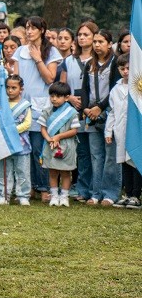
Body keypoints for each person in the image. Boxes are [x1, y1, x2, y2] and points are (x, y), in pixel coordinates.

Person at [12, 17, 62, 203]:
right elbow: (16, 78)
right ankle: (27, 187)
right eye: (27, 28)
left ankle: (44, 187)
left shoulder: (52, 51)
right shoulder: (19, 51)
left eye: (33, 28)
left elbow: (50, 79)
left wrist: (38, 59)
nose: (29, 31)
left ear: (42, 30)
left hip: (41, 105)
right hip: (21, 106)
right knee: (23, 149)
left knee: (38, 149)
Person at [81, 30, 120, 206]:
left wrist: (100, 107)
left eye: (101, 42)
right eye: (95, 41)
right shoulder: (90, 64)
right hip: (91, 114)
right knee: (96, 155)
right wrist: (86, 108)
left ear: (109, 44)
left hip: (109, 112)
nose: (97, 45)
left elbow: (115, 88)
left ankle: (110, 193)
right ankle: (95, 192)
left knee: (111, 155)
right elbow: (84, 90)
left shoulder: (116, 63)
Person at [60, 21, 97, 202]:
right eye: (80, 35)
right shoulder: (68, 61)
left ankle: (96, 189)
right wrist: (69, 98)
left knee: (96, 152)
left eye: (86, 35)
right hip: (74, 110)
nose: (82, 38)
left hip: (93, 111)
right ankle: (82, 189)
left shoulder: (100, 60)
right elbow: (62, 86)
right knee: (82, 153)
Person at [40, 82, 80, 207]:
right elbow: (43, 128)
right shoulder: (47, 111)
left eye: (58, 96)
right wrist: (50, 139)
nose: (54, 99)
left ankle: (64, 196)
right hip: (51, 145)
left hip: (66, 146)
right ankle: (54, 196)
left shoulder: (72, 112)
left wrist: (58, 136)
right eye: (52, 96)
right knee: (52, 171)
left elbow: (74, 131)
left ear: (67, 97)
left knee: (65, 172)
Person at [0, 75, 32, 206]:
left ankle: (23, 195)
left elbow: (27, 123)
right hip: (4, 143)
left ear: (21, 89)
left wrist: (12, 131)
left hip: (21, 143)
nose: (10, 90)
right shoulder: (1, 104)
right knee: (4, 169)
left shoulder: (25, 105)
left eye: (14, 88)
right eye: (8, 87)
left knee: (22, 170)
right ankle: (4, 194)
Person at [105, 54, 137, 207]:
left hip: (136, 131)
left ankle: (136, 195)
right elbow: (112, 111)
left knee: (135, 161)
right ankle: (128, 193)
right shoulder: (116, 89)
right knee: (124, 162)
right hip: (120, 130)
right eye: (122, 68)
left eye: (129, 68)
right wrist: (108, 131)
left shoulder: (138, 86)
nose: (125, 71)